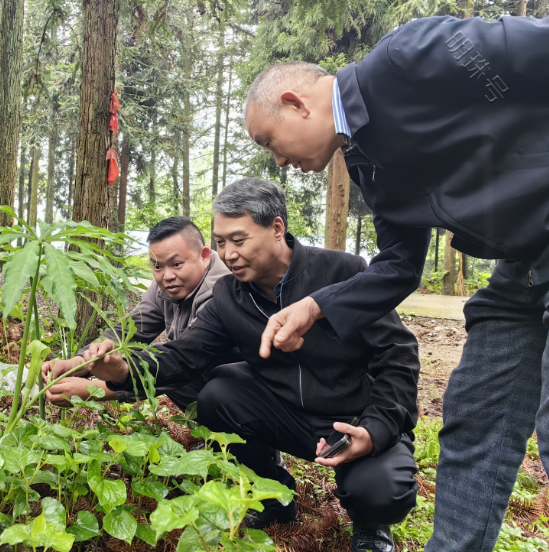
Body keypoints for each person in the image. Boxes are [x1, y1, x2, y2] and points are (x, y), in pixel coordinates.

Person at [242, 15, 549, 552]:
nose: (281, 163)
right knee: (474, 421)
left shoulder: (407, 57)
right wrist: (314, 307)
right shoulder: (367, 163)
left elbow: (528, 50)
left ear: (295, 102)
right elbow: (399, 265)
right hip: (519, 267)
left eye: (272, 142)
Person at [76, 179, 421, 552]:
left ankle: (372, 527)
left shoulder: (342, 271)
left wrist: (376, 427)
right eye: (221, 242)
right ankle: (274, 497)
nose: (228, 254)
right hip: (287, 416)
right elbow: (183, 355)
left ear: (276, 228)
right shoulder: (230, 296)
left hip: (352, 420)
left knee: (381, 492)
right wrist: (124, 371)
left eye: (238, 240)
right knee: (218, 393)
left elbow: (397, 354)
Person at [42, 216, 240, 411]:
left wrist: (92, 391)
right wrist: (77, 363)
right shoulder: (165, 287)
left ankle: (239, 440)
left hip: (241, 384)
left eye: (177, 264)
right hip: (195, 369)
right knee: (160, 361)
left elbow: (183, 364)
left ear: (203, 256)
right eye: (157, 266)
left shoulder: (222, 291)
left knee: (174, 372)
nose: (167, 276)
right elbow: (130, 330)